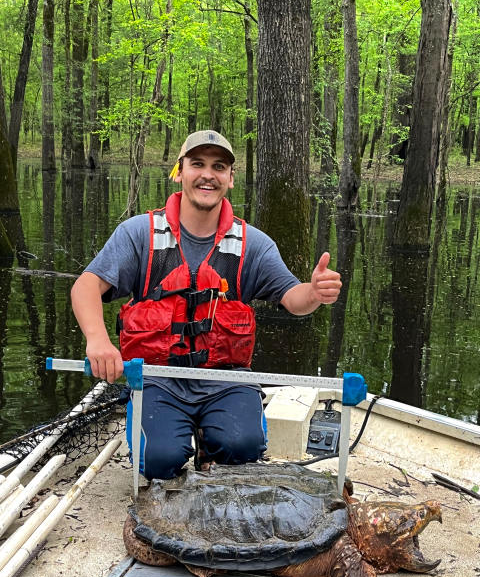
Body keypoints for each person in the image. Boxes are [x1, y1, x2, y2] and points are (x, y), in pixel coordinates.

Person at [71, 130, 342, 480]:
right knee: (156, 461)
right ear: (179, 171)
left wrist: (315, 293)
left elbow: (294, 299)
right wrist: (98, 339)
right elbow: (85, 286)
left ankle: (211, 448)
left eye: (219, 166)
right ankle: (175, 438)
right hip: (159, 378)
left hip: (225, 379)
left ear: (230, 178)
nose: (207, 174)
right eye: (197, 164)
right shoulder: (140, 233)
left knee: (242, 449)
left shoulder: (252, 244)